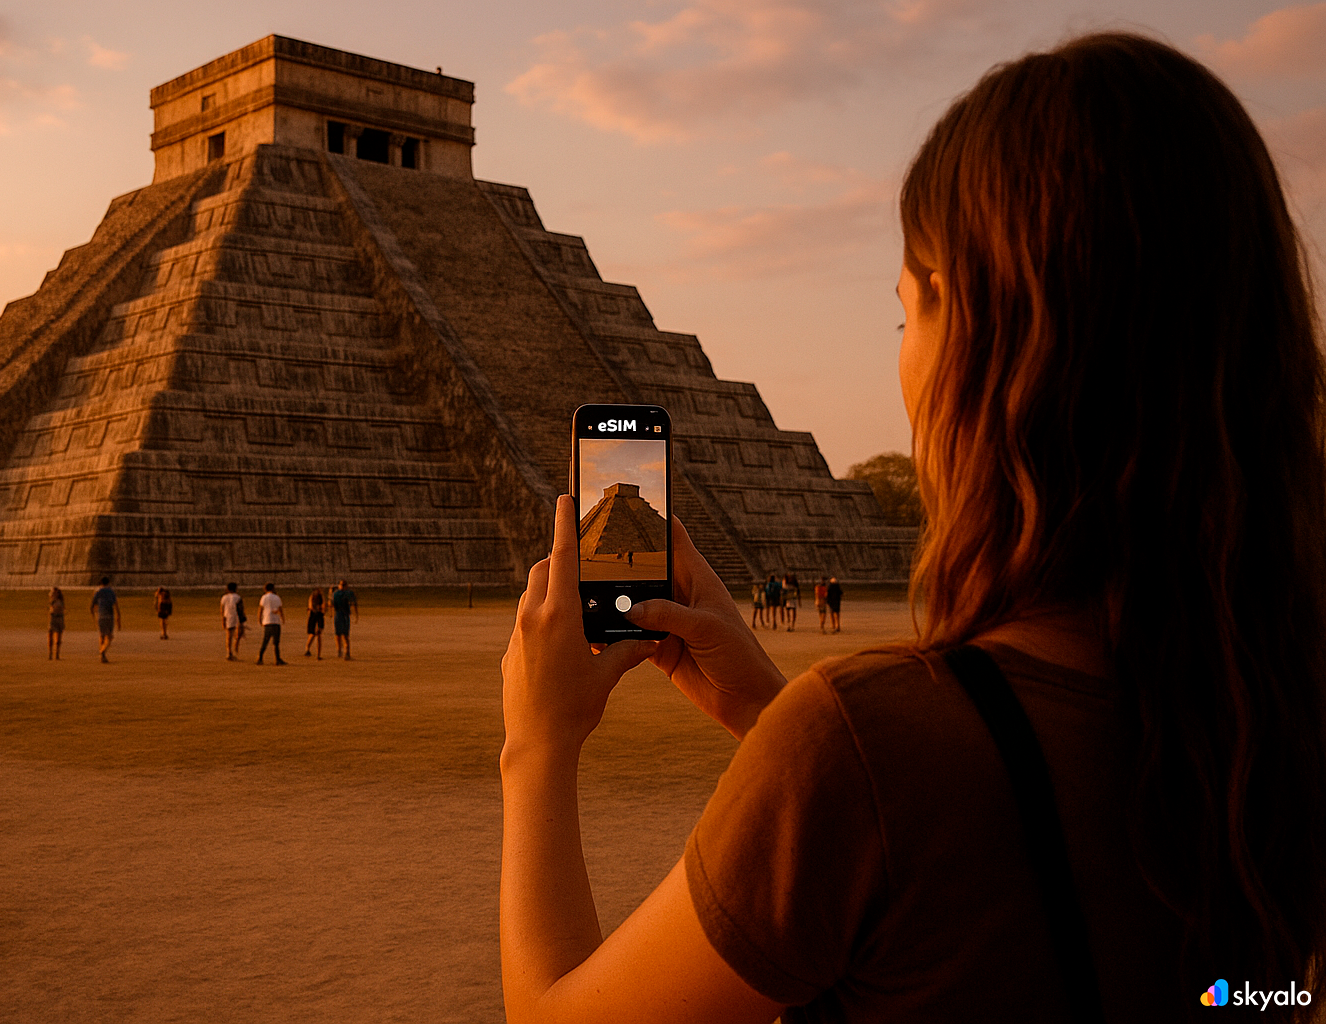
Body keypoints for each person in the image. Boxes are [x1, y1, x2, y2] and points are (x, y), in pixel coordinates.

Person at [496, 34, 1326, 1024]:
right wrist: (771, 712)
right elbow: (1228, 990)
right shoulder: (1277, 708)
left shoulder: (864, 749)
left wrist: (538, 744)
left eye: (905, 315)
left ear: (966, 327)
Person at [89, 576, 120, 663]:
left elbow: (92, 605)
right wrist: (118, 616)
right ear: (108, 582)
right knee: (109, 637)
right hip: (109, 615)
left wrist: (93, 615)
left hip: (100, 616)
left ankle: (102, 655)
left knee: (101, 636)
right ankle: (102, 651)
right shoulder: (111, 591)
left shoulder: (97, 592)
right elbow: (116, 604)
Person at [256, 583, 286, 665]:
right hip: (276, 622)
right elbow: (280, 609)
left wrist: (259, 619)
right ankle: (277, 659)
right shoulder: (277, 597)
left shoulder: (264, 597)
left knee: (265, 641)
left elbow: (260, 609)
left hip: (267, 621)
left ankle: (260, 658)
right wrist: (282, 618)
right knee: (276, 642)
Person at [332, 579, 356, 659]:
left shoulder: (347, 593)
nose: (342, 586)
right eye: (341, 585)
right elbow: (332, 604)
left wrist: (356, 614)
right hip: (339, 614)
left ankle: (346, 652)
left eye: (343, 585)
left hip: (344, 614)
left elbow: (353, 603)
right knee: (338, 634)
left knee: (345, 635)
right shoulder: (336, 594)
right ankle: (339, 650)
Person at [220, 582, 242, 661]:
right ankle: (235, 647)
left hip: (228, 617)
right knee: (238, 634)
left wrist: (223, 619)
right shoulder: (238, 597)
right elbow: (240, 609)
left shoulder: (224, 597)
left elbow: (222, 609)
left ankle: (229, 652)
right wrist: (242, 620)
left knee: (228, 636)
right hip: (236, 617)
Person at [305, 588, 327, 658]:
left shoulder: (321, 597)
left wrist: (322, 609)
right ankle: (307, 648)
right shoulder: (312, 597)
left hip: (319, 616)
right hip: (313, 616)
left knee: (319, 634)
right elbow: (310, 607)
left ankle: (318, 654)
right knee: (312, 634)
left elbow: (324, 607)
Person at [47, 586, 65, 660]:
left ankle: (57, 654)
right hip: (53, 618)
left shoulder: (60, 601)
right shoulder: (52, 600)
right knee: (50, 637)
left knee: (58, 639)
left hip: (59, 618)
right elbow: (50, 604)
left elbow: (62, 609)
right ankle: (50, 654)